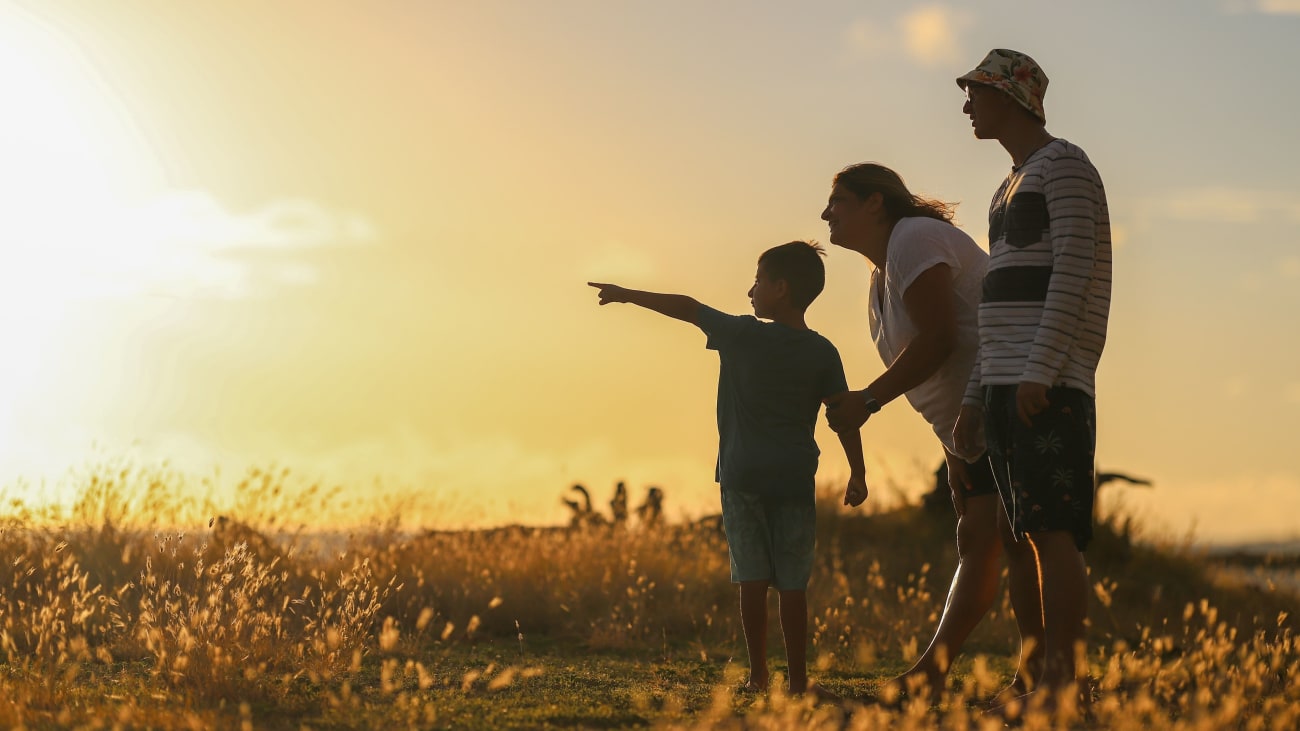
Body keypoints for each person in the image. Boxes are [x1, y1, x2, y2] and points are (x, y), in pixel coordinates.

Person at [589, 241, 868, 698]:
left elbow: (687, 308)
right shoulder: (823, 351)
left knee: (752, 578)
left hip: (741, 476)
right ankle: (798, 683)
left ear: (780, 288)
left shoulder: (742, 334)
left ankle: (759, 677)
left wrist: (629, 294)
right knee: (793, 584)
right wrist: (858, 473)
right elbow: (842, 415)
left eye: (758, 280)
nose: (750, 290)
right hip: (795, 478)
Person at [820, 163, 1042, 700]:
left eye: (839, 201)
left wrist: (868, 399)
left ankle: (1040, 676)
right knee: (980, 541)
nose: (827, 214)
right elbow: (943, 363)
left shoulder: (914, 239)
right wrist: (954, 452)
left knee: (1018, 540)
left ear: (876, 203)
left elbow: (942, 339)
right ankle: (950, 675)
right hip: (972, 422)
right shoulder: (883, 275)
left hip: (1011, 398)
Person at [951, 49, 1112, 709]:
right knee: (1020, 536)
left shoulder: (1066, 166)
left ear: (1013, 99)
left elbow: (1075, 275)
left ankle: (1062, 687)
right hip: (1002, 385)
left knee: (1052, 530)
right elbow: (997, 302)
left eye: (976, 93)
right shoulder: (1006, 186)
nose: (967, 105)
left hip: (1047, 383)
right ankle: (1032, 677)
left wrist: (1041, 370)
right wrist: (972, 396)